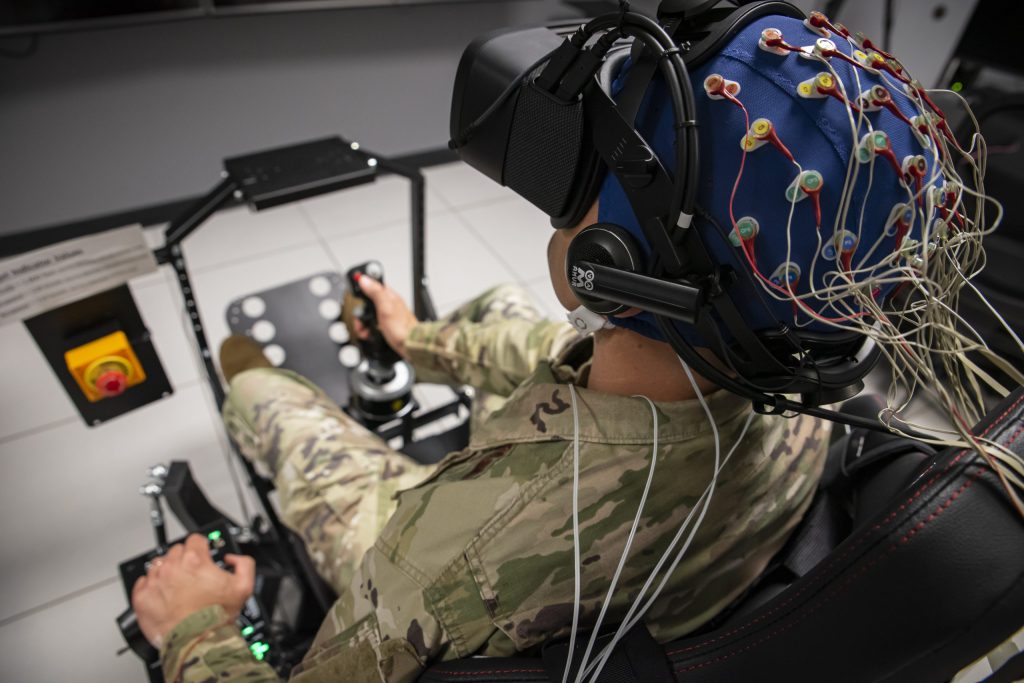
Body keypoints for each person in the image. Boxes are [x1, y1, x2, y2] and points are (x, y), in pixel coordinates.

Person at [128, 9, 980, 683]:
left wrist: (198, 624)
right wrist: (418, 338)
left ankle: (256, 384)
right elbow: (597, 350)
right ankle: (408, 336)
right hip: (691, 527)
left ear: (617, 263)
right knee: (497, 304)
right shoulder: (802, 353)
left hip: (498, 560)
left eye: (587, 180)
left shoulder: (438, 561)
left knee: (261, 393)